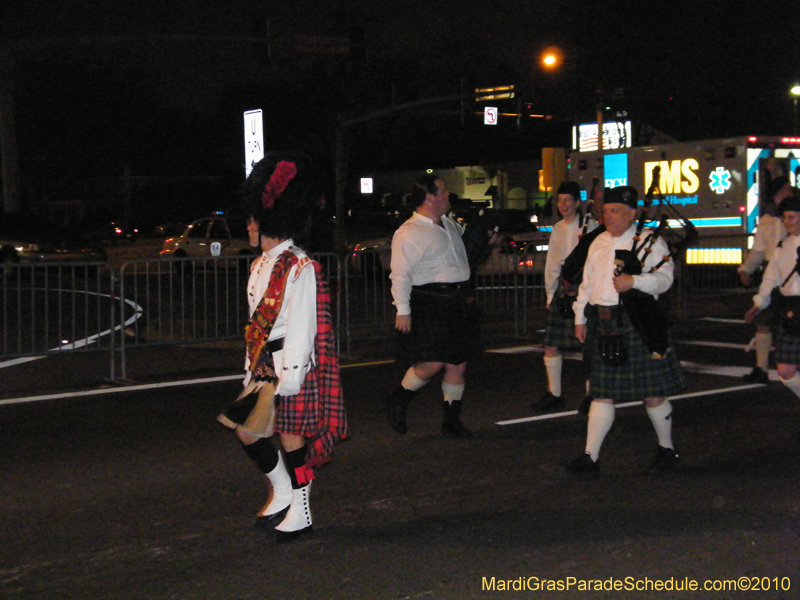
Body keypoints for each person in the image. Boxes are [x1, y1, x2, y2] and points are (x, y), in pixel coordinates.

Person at [216, 152, 348, 543]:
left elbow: (305, 327)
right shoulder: (260, 265)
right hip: (264, 365)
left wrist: (289, 377)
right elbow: (254, 326)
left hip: (292, 368)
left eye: (253, 219)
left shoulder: (300, 266)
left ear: (269, 219)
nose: (248, 225)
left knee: (293, 440)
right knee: (247, 432)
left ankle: (302, 511)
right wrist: (250, 368)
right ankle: (285, 491)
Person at [567, 185, 687, 475]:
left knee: (651, 393)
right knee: (601, 392)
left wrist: (634, 282)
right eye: (606, 210)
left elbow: (664, 279)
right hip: (602, 321)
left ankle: (666, 448)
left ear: (633, 213)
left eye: (616, 211)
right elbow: (587, 282)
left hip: (636, 321)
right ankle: (590, 458)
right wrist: (580, 317)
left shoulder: (649, 242)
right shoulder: (598, 242)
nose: (609, 215)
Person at [385, 174, 479, 438]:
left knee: (458, 363)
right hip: (431, 301)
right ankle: (398, 399)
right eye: (443, 191)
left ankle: (451, 420)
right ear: (429, 197)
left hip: (458, 300)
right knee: (433, 362)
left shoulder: (450, 225)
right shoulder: (409, 232)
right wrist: (402, 309)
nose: (448, 195)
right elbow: (400, 273)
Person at [534, 181, 597, 412]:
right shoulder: (558, 228)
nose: (563, 204)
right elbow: (552, 263)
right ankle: (554, 393)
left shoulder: (592, 226)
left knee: (587, 345)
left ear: (578, 202)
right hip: (563, 288)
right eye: (560, 200)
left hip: (585, 288)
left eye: (568, 200)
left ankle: (592, 395)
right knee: (551, 344)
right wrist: (551, 293)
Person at [745, 193, 800, 404]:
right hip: (791, 308)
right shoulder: (783, 246)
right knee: (785, 371)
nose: (788, 222)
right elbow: (771, 277)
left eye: (793, 217)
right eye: (786, 217)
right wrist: (759, 303)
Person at [738, 175, 791, 384]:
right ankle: (761, 368)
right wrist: (745, 270)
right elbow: (758, 251)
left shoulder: (795, 218)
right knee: (764, 323)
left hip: (793, 277)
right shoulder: (767, 222)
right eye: (783, 191)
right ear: (774, 196)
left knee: (791, 323)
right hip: (772, 275)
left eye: (788, 190)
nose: (787, 193)